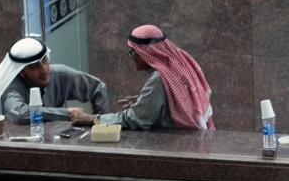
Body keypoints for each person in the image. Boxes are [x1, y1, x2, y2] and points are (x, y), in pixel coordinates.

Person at [71, 25, 214, 130]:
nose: (131, 56)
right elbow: (176, 100)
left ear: (148, 53)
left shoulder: (159, 78)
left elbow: (136, 119)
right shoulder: (178, 62)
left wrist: (93, 119)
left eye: (133, 52)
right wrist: (146, 102)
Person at [0, 37, 108, 125]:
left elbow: (98, 88)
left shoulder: (60, 74)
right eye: (34, 66)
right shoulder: (11, 87)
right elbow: (21, 114)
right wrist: (68, 114)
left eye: (45, 60)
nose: (44, 70)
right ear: (21, 71)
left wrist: (100, 123)